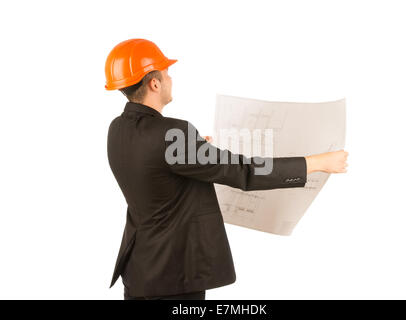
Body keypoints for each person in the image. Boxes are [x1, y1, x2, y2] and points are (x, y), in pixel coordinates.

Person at [104, 38, 349, 300]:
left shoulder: (117, 129)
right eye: (167, 73)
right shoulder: (171, 134)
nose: (171, 79)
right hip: (174, 279)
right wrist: (317, 163)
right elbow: (243, 170)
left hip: (138, 273)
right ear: (154, 83)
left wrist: (196, 151)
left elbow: (155, 173)